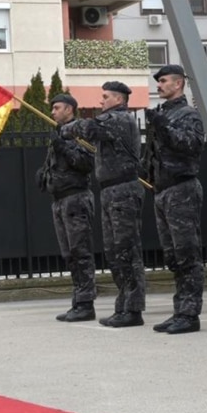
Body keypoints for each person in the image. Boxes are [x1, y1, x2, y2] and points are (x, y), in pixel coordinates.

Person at [62, 81, 146, 327]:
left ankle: (133, 308)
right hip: (111, 190)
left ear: (119, 100)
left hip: (123, 189)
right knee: (114, 251)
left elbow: (87, 128)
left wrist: (68, 127)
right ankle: (124, 305)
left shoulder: (119, 119)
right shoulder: (111, 121)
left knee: (127, 249)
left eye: (106, 96)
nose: (102, 101)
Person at [143, 65, 206, 335]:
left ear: (178, 84)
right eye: (158, 81)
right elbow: (156, 153)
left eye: (164, 81)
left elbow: (190, 145)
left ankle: (190, 314)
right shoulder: (163, 115)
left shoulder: (187, 114)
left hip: (182, 188)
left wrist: (163, 127)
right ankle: (180, 309)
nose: (159, 85)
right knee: (173, 256)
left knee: (187, 253)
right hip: (163, 189)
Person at [38, 93, 97, 322]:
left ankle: (85, 303)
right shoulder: (59, 133)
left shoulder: (78, 131)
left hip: (76, 198)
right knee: (69, 254)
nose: (53, 112)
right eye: (52, 108)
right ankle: (78, 299)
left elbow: (86, 163)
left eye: (57, 108)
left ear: (70, 110)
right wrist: (45, 176)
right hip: (60, 199)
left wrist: (63, 147)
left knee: (80, 252)